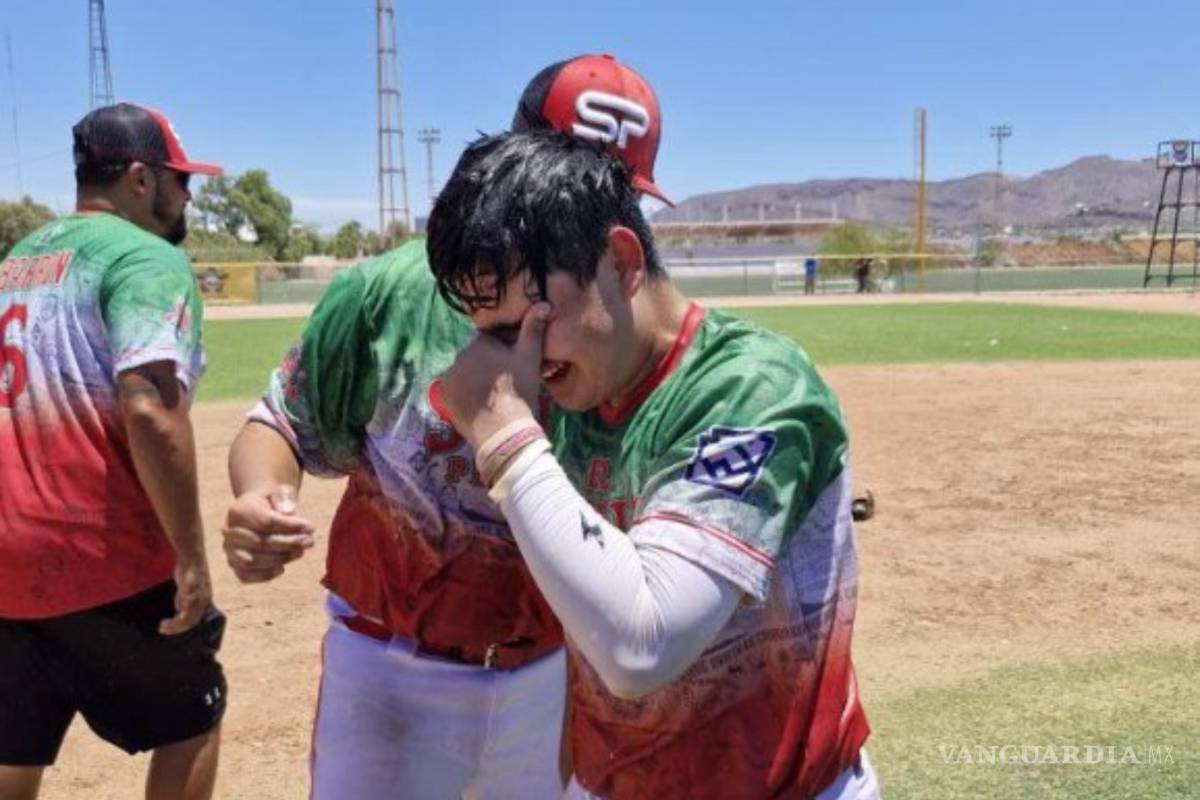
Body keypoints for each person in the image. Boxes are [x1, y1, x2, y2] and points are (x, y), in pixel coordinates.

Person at [221, 54, 671, 799]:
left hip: (552, 669)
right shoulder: (388, 295)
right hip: (388, 664)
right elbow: (282, 422)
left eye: (615, 198)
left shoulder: (630, 329)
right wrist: (261, 495)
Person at [429, 131, 878, 799]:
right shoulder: (569, 383)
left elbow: (642, 645)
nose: (518, 360)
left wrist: (507, 443)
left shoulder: (756, 387)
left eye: (531, 320)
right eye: (492, 334)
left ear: (620, 259)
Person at [0, 103, 226, 800]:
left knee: (13, 749)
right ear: (138, 178)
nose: (186, 194)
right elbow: (150, 409)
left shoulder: (19, 259)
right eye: (178, 179)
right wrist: (190, 557)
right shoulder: (145, 257)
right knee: (195, 715)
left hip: (7, 551)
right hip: (103, 552)